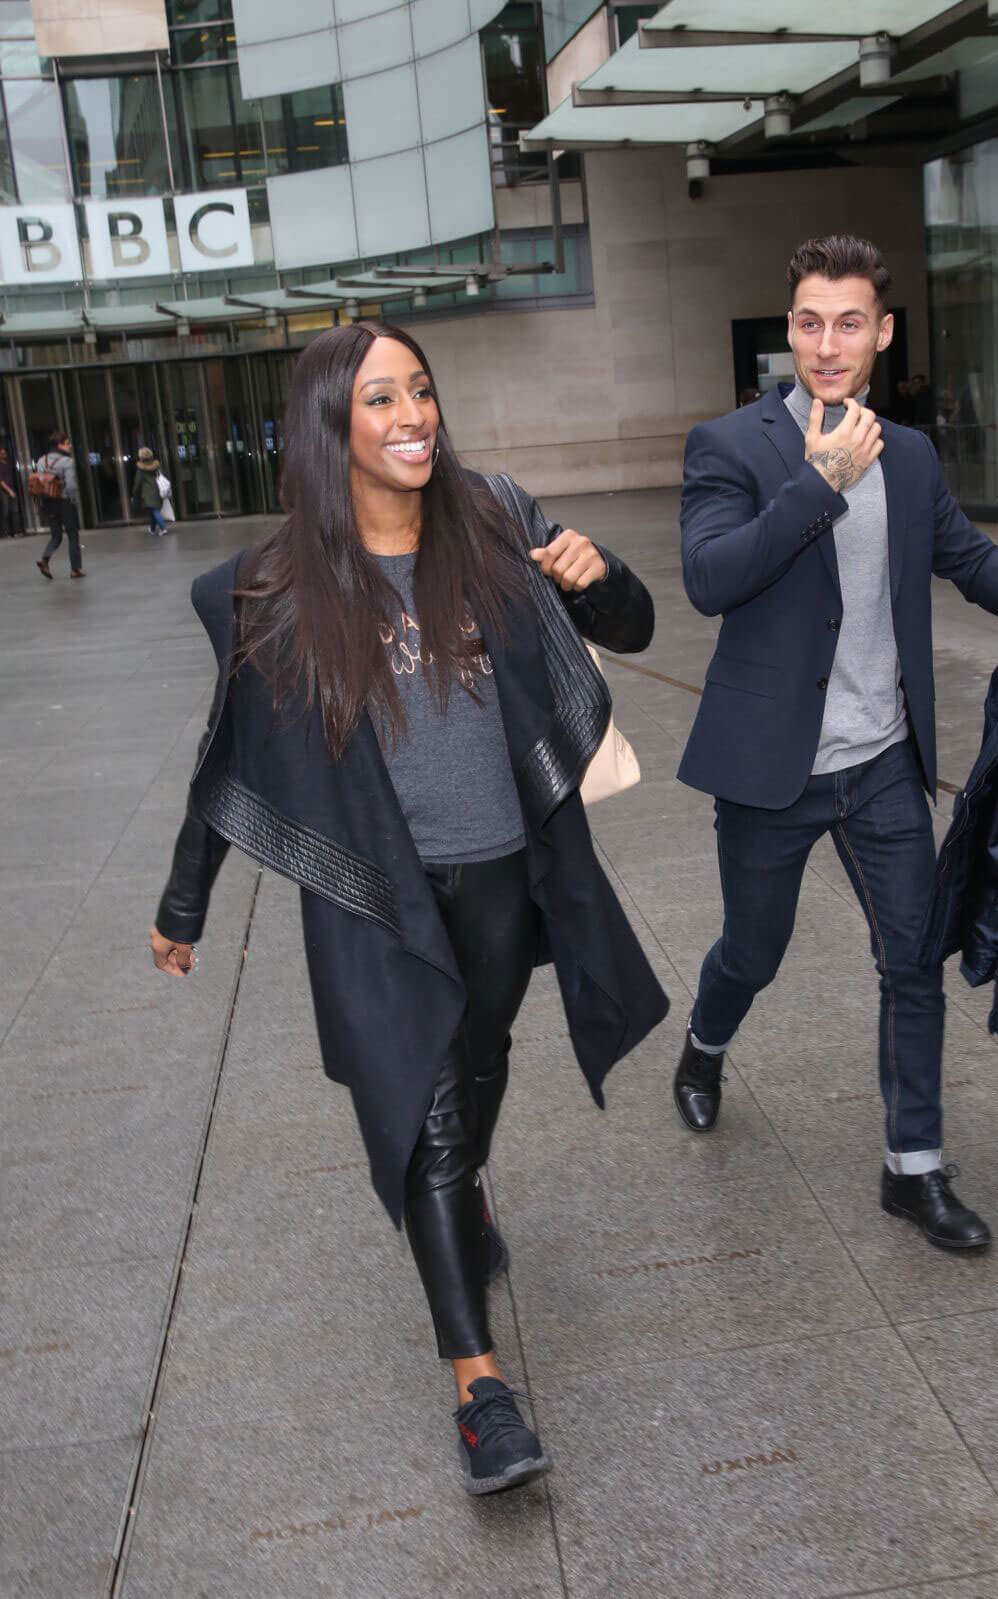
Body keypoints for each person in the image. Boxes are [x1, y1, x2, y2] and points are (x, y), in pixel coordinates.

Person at [149, 322, 668, 1494]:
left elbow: (630, 628)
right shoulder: (279, 586)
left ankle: (461, 1210)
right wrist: (186, 904)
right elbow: (228, 754)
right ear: (331, 428)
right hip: (377, 895)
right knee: (427, 1116)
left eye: (422, 392)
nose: (412, 416)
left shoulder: (493, 520)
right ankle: (481, 1392)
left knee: (477, 1070)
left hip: (501, 871)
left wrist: (606, 575)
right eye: (381, 399)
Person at [672, 234, 998, 1252]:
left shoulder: (915, 456)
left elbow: (970, 562)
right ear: (789, 330)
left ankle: (914, 1169)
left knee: (910, 962)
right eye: (810, 321)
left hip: (882, 762)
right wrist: (821, 483)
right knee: (752, 951)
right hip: (772, 770)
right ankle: (707, 1043)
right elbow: (712, 578)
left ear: (882, 334)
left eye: (851, 322)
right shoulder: (733, 447)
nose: (829, 342)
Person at [34, 432, 84, 580]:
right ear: (59, 444)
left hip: (48, 503)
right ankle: (75, 570)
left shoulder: (41, 460)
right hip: (65, 502)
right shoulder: (67, 461)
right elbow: (71, 486)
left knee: (56, 536)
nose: (69, 446)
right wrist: (73, 501)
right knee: (73, 535)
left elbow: (39, 481)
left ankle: (45, 560)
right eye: (67, 443)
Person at [131, 446, 167, 535]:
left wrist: (134, 492)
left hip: (148, 493)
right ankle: (152, 528)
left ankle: (163, 528)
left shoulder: (141, 469)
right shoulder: (156, 466)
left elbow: (138, 482)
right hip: (158, 490)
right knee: (153, 512)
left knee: (155, 511)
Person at [0, 446, 21, 537]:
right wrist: (9, 491)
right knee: (6, 512)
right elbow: (1, 481)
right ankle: (6, 533)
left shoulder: (9, 464)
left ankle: (16, 532)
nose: (4, 454)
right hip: (4, 490)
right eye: (2, 453)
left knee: (15, 511)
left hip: (12, 488)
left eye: (4, 453)